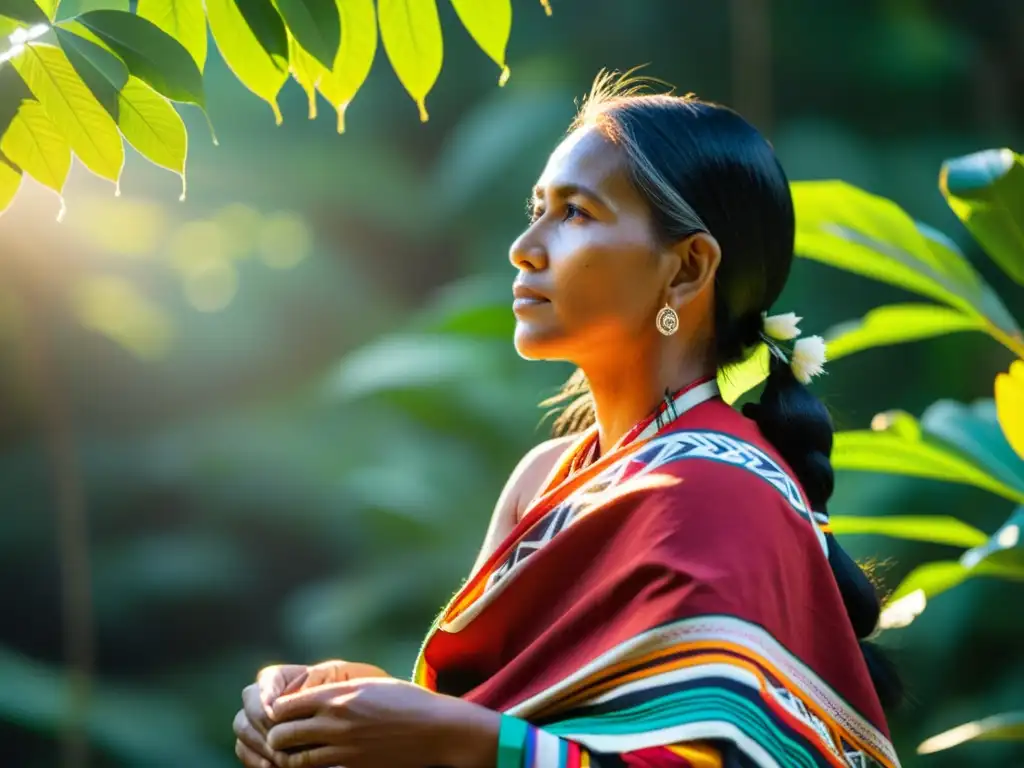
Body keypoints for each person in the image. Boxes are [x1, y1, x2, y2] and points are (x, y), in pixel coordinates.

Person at [232, 71, 902, 768]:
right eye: (537, 207)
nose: (525, 245)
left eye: (575, 213)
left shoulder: (725, 497)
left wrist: (457, 739)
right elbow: (504, 717)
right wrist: (339, 709)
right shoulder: (543, 480)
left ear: (686, 269)